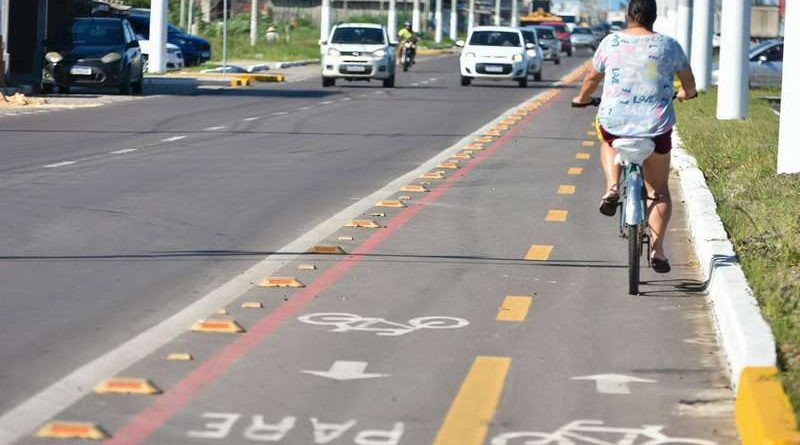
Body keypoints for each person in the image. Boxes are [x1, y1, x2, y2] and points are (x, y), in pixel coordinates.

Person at [572, 0, 697, 274]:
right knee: (659, 191)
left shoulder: (610, 43)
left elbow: (592, 78)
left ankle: (612, 187)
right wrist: (687, 94)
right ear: (654, 17)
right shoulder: (669, 45)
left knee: (607, 140)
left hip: (616, 123)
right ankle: (657, 250)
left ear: (629, 15)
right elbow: (689, 82)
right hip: (656, 126)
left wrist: (581, 99)